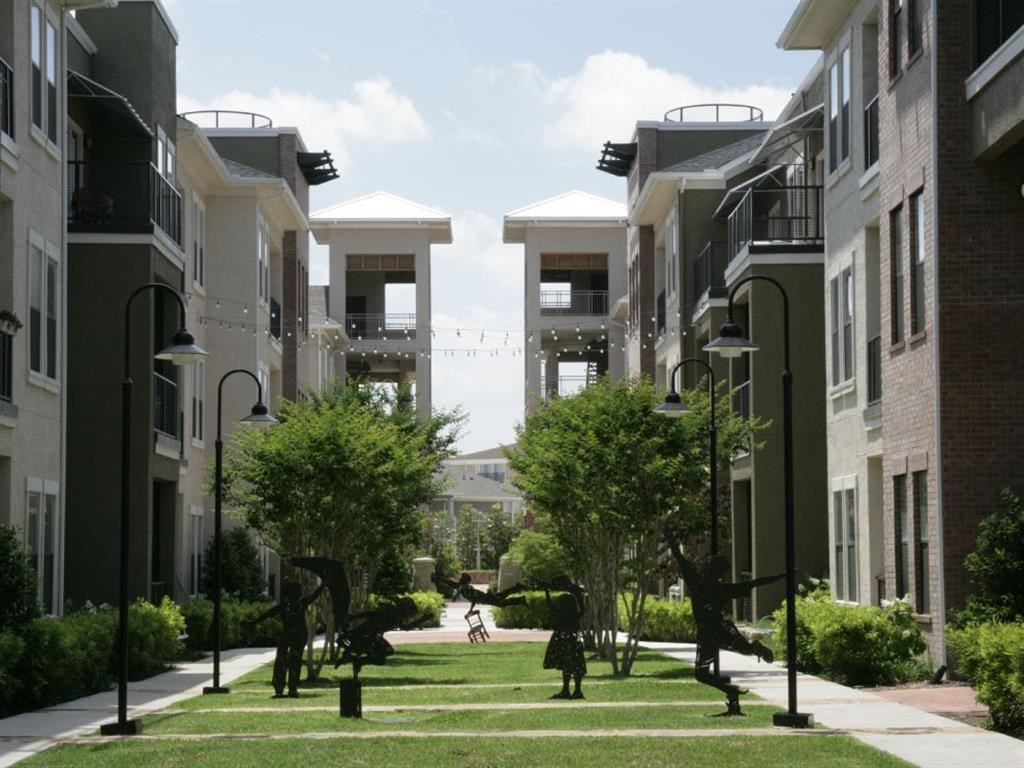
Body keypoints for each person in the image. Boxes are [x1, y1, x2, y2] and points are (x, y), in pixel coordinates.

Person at [669, 539, 783, 715]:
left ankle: (755, 651)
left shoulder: (703, 585)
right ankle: (732, 691)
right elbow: (755, 583)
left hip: (717, 631)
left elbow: (754, 583)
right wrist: (781, 576)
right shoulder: (710, 586)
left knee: (739, 652)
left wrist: (781, 576)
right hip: (709, 634)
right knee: (702, 674)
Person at [244, 579, 324, 698]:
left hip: (299, 636)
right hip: (287, 635)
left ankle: (293, 688)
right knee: (281, 659)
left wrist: (324, 584)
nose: (299, 594)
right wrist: (254, 622)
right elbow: (269, 613)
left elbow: (314, 595)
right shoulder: (284, 607)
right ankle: (279, 688)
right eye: (296, 592)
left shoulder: (301, 604)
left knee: (295, 660)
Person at [540, 577, 587, 699]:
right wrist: (578, 596)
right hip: (575, 639)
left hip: (563, 638)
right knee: (577, 665)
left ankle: (566, 689)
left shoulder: (561, 613)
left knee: (566, 664)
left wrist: (547, 593)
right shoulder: (576, 614)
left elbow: (550, 606)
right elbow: (583, 609)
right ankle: (577, 690)